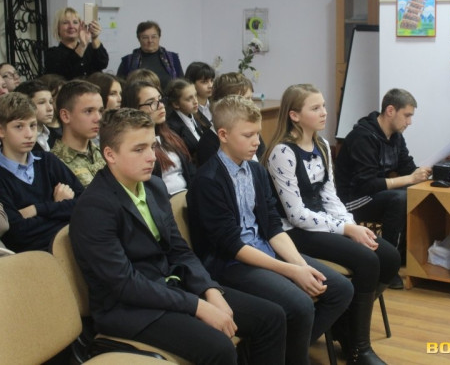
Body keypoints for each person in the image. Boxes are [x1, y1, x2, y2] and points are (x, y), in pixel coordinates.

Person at [70, 107, 286, 365]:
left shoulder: (153, 186)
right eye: (139, 149)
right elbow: (124, 284)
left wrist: (209, 289)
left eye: (152, 146)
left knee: (271, 318)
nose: (151, 157)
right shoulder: (94, 208)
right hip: (131, 309)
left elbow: (179, 250)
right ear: (110, 154)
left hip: (170, 287)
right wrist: (197, 305)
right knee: (219, 348)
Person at [188, 95, 353, 365]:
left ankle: (285, 352)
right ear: (223, 135)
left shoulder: (256, 170)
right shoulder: (208, 180)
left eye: (257, 133)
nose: (257, 141)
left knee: (340, 289)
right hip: (230, 264)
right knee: (300, 304)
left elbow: (273, 227)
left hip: (263, 250)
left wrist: (300, 265)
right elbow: (232, 245)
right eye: (248, 135)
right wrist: (292, 271)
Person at [264, 84, 400, 365]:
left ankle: (344, 324)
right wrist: (346, 230)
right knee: (367, 260)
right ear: (294, 116)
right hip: (295, 232)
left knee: (389, 256)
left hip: (324, 223)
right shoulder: (282, 153)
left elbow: (330, 196)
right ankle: (358, 347)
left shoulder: (323, 145)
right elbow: (296, 214)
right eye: (315, 108)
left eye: (324, 105)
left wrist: (350, 224)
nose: (324, 112)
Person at [335, 88, 433, 289]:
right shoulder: (362, 137)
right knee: (399, 200)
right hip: (353, 199)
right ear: (390, 110)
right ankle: (388, 267)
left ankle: (405, 256)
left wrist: (438, 167)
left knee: (415, 193)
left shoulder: (395, 136)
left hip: (375, 195)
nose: (409, 122)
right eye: (407, 115)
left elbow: (408, 168)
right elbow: (367, 184)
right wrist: (409, 178)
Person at [0, 92, 83, 252]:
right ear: (1, 131)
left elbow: (85, 203)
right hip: (32, 258)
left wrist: (37, 209)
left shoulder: (47, 160)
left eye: (33, 125)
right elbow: (17, 233)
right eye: (19, 127)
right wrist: (61, 209)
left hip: (73, 246)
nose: (29, 134)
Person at [122, 80, 194, 195]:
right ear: (135, 109)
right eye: (151, 102)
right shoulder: (135, 146)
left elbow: (190, 171)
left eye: (160, 100)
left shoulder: (170, 134)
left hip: (187, 196)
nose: (161, 106)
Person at [196, 72, 264, 166]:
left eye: (251, 98)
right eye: (246, 99)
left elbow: (262, 163)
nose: (252, 104)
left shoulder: (252, 131)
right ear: (227, 103)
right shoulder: (208, 144)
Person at [51, 80, 106, 187]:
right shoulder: (54, 164)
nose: (98, 118)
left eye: (100, 111)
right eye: (88, 111)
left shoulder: (105, 152)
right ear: (65, 116)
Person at [44, 7, 108, 80]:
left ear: (80, 26)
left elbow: (103, 63)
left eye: (75, 22)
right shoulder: (52, 53)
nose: (71, 26)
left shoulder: (90, 48)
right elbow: (67, 73)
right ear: (58, 28)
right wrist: (82, 46)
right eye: (65, 23)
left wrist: (95, 38)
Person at [117, 21, 183, 91]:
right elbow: (120, 87)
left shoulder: (173, 59)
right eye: (145, 37)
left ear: (159, 37)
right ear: (139, 39)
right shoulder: (127, 61)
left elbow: (182, 85)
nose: (150, 41)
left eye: (154, 37)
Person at [166, 78, 211, 162]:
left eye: (195, 95)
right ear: (176, 104)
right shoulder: (172, 127)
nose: (195, 101)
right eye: (189, 99)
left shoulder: (195, 113)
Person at [14, 80, 56, 152]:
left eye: (51, 102)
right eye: (41, 102)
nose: (50, 108)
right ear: (24, 105)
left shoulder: (55, 135)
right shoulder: (18, 140)